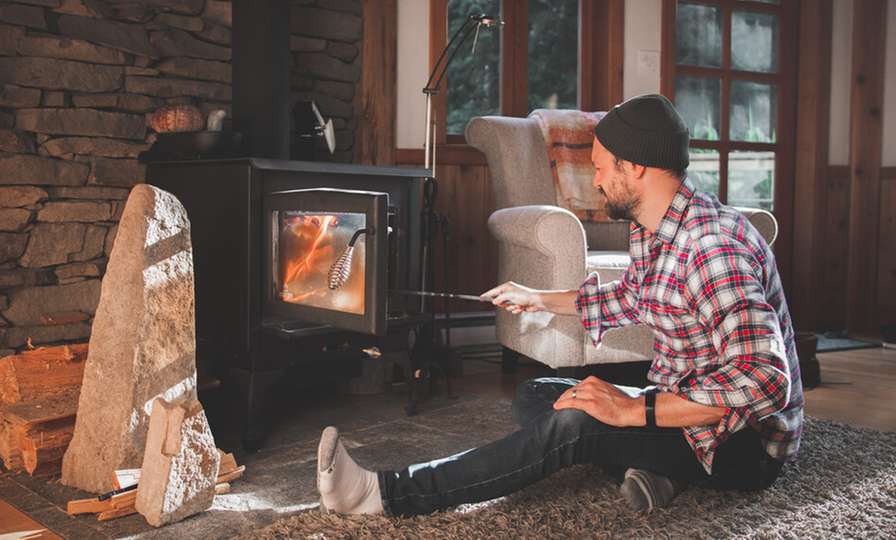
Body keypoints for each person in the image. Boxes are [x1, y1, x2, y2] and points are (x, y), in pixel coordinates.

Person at [315, 94, 803, 516]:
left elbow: (765, 380)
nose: (594, 182)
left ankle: (384, 494)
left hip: (740, 443)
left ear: (634, 166)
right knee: (539, 394)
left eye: (599, 167)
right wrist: (536, 298)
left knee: (572, 423)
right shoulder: (657, 224)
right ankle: (661, 470)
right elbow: (634, 295)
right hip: (681, 386)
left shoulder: (711, 248)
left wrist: (636, 410)